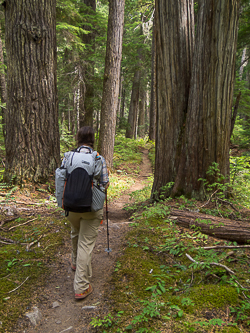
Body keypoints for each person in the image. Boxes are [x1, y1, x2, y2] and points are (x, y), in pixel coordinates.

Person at [61, 126, 109, 300]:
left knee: (76, 232)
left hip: (70, 207)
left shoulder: (68, 156)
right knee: (86, 243)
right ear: (92, 140)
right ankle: (81, 286)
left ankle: (75, 263)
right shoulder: (98, 158)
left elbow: (61, 178)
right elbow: (105, 183)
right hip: (90, 208)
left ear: (78, 139)